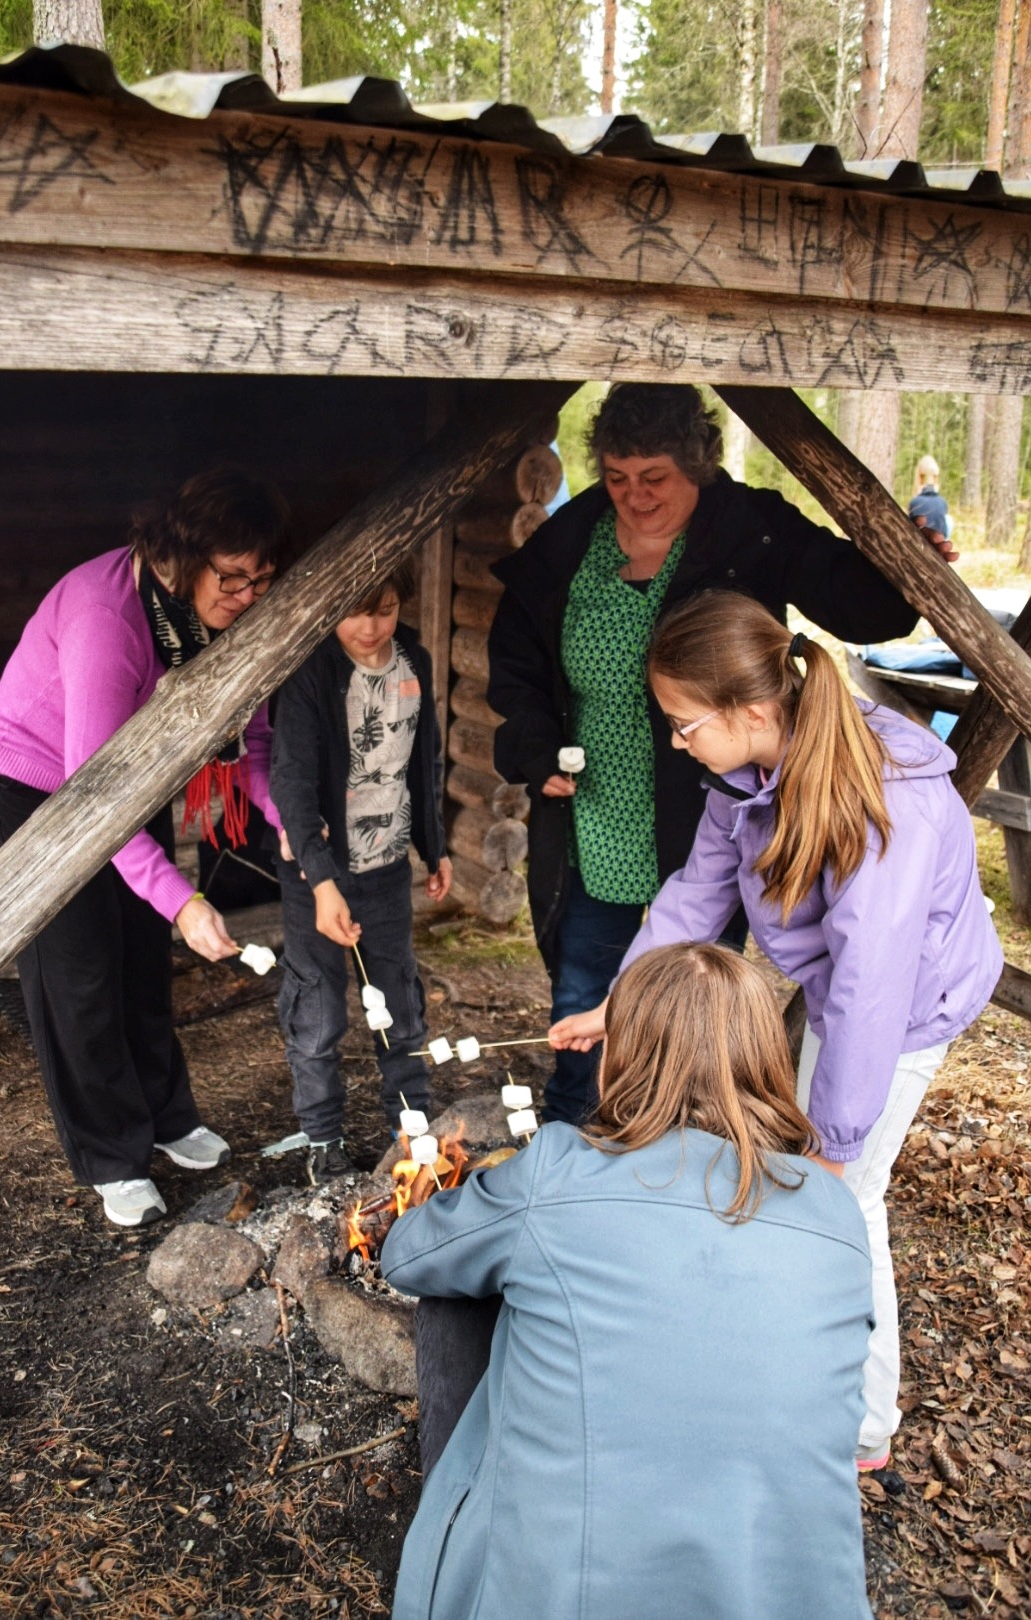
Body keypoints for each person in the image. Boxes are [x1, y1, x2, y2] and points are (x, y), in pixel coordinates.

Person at [550, 590, 1002, 1472]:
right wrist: (621, 1001)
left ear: (751, 710)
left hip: (909, 1005)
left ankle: (863, 1426)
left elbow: (874, 984)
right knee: (808, 1180)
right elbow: (695, 891)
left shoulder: (885, 803)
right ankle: (800, 1361)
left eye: (685, 725)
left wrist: (835, 1141)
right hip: (847, 991)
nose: (677, 743)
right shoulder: (746, 770)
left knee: (843, 1200)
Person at [487, 381, 957, 1127]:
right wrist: (535, 744)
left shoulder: (749, 529)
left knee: (693, 987)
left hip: (705, 801)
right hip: (594, 812)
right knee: (584, 983)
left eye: (654, 479)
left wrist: (907, 563)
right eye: (616, 478)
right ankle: (577, 1127)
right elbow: (513, 655)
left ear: (697, 465)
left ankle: (680, 1127)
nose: (633, 498)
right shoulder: (577, 537)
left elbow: (860, 603)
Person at [382, 943, 876, 1620]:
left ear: (625, 1056)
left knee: (464, 1296)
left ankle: (462, 1548)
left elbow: (409, 1257)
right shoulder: (837, 1213)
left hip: (573, 1594)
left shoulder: (560, 1169)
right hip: (794, 1594)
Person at [0, 466, 289, 1228]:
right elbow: (94, 796)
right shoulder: (106, 621)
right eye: (234, 579)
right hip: (43, 781)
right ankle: (112, 1154)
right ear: (183, 554)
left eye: (263, 581)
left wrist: (287, 820)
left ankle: (167, 1117)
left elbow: (253, 741)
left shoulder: (220, 614)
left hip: (129, 771)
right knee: (79, 969)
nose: (248, 599)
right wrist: (185, 901)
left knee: (142, 954)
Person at [269, 559, 452, 1183]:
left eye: (386, 610)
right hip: (317, 875)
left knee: (399, 1003)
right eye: (356, 612)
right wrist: (320, 883)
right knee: (319, 1011)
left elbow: (421, 762)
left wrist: (435, 844)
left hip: (387, 869)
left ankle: (413, 1128)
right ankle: (323, 1138)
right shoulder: (311, 673)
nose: (371, 627)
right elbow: (290, 780)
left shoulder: (414, 665)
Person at [909, 453, 952, 539]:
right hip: (938, 540)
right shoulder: (942, 502)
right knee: (948, 519)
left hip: (919, 541)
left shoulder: (914, 502)